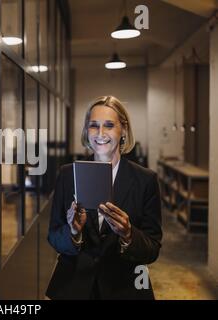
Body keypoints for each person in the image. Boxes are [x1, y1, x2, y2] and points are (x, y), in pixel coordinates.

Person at [46, 96, 162, 300]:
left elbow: (152, 249)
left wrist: (128, 234)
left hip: (125, 289)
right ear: (86, 130)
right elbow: (54, 236)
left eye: (109, 125)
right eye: (93, 126)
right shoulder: (67, 175)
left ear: (123, 130)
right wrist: (73, 232)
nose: (100, 134)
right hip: (75, 288)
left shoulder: (146, 180)